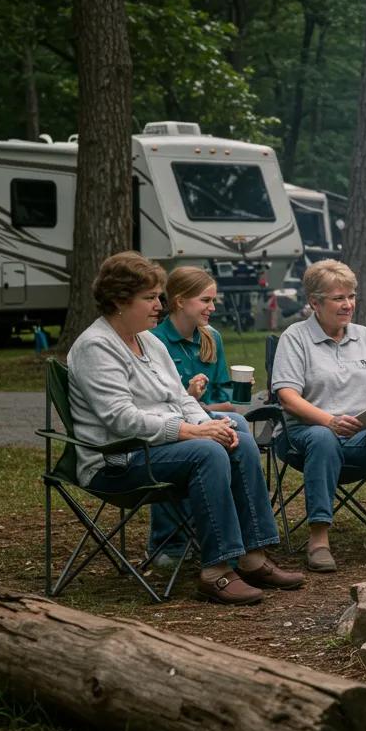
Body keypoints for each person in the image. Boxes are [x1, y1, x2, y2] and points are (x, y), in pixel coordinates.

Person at [67, 251, 303, 605]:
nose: (158, 306)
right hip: (116, 458)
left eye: (159, 296)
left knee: (234, 427)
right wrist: (195, 433)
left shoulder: (148, 341)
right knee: (207, 450)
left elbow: (179, 397)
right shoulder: (96, 347)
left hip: (151, 448)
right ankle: (216, 570)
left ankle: (253, 555)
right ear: (119, 300)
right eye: (149, 298)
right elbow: (121, 419)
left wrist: (209, 424)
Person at [271, 259, 366, 571]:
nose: (348, 304)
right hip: (305, 436)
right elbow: (288, 398)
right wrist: (329, 421)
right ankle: (319, 539)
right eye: (339, 298)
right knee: (323, 438)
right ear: (314, 302)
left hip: (360, 435)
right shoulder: (295, 338)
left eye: (351, 296)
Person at [147, 265, 247, 563]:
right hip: (171, 425)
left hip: (203, 417)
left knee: (236, 423)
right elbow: (158, 404)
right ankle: (170, 542)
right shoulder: (154, 341)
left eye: (213, 300)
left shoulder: (211, 338)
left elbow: (221, 393)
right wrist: (189, 398)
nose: (212, 307)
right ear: (179, 301)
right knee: (198, 444)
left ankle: (239, 538)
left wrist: (231, 399)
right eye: (205, 300)